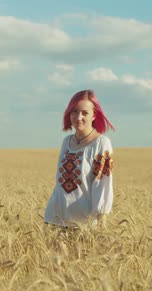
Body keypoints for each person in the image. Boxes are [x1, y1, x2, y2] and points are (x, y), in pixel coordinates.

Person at [45, 89, 115, 228]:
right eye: (74, 111)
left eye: (85, 113)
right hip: (55, 219)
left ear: (94, 115)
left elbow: (102, 183)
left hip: (83, 225)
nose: (78, 117)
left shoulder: (101, 143)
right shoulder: (67, 142)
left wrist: (101, 222)